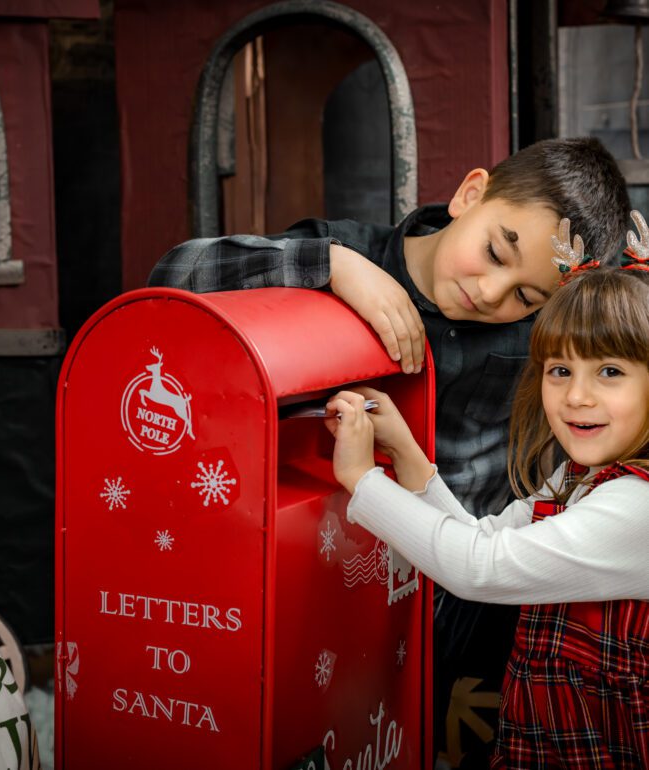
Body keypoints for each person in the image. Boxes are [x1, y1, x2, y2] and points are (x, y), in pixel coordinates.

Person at [150, 137, 631, 762]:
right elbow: (173, 276)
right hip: (321, 572)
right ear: (470, 194)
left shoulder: (543, 338)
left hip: (461, 586)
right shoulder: (341, 255)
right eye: (495, 252)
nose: (492, 292)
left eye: (526, 296)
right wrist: (332, 266)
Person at [325, 239, 649, 768]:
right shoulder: (579, 476)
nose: (576, 397)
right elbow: (485, 537)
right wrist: (406, 453)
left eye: (610, 372)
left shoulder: (638, 505)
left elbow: (480, 568)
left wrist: (363, 481)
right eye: (560, 370)